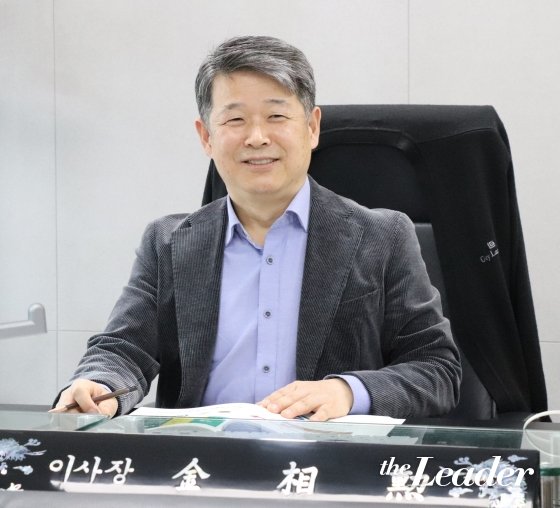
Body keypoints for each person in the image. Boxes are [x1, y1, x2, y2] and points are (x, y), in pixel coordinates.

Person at [54, 35, 461, 420]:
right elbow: (123, 349)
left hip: (328, 461)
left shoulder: (382, 237)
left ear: (312, 127)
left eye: (276, 116)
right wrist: (98, 385)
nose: (257, 137)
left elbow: (436, 369)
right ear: (206, 137)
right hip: (202, 459)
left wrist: (348, 391)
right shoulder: (169, 243)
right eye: (235, 119)